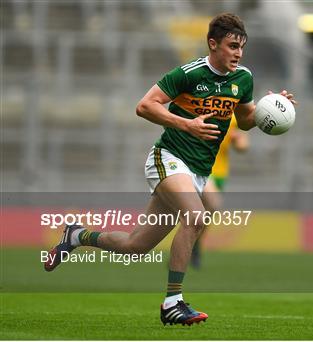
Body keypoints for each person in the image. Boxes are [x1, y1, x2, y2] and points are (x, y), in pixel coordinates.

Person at [43, 13, 297, 326]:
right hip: (168, 157)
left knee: (136, 246)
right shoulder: (188, 74)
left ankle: (77, 235)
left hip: (198, 172)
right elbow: (145, 105)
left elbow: (244, 119)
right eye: (232, 46)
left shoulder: (243, 79)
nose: (238, 53)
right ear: (212, 43)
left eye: (241, 47)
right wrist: (186, 124)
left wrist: (271, 109)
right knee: (197, 215)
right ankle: (173, 303)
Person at [192, 115, 249, 268]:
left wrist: (237, 139)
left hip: (220, 172)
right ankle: (190, 246)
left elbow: (243, 146)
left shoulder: (234, 116)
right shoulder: (203, 107)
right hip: (199, 166)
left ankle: (192, 246)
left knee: (202, 215)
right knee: (212, 203)